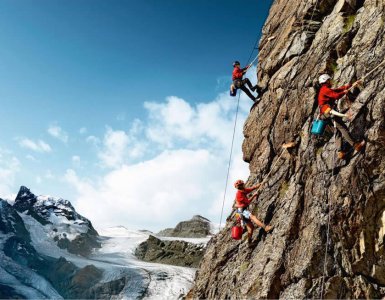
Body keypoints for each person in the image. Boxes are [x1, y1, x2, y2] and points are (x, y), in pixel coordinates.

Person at [317, 74, 365, 159]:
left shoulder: (324, 89)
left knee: (338, 131)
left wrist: (349, 86)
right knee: (342, 128)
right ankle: (356, 145)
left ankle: (340, 152)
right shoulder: (325, 90)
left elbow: (336, 90)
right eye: (329, 80)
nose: (330, 81)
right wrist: (344, 92)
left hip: (325, 114)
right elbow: (336, 95)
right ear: (326, 81)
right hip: (329, 113)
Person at [234, 179, 272, 244]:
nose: (244, 185)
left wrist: (258, 185)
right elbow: (247, 202)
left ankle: (249, 243)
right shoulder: (239, 194)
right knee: (253, 217)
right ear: (241, 186)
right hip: (241, 211)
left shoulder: (242, 190)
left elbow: (250, 189)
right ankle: (265, 227)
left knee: (251, 227)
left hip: (241, 211)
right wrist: (254, 196)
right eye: (242, 184)